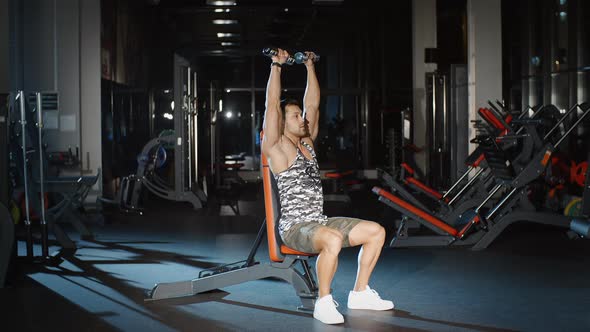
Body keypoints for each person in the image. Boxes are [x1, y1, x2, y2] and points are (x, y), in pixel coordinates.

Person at [261, 48, 394, 325]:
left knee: (376, 232)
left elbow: (314, 105)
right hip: (295, 228)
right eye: (296, 116)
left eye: (301, 115)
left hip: (319, 221)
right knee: (332, 239)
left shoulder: (307, 144)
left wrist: (310, 66)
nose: (303, 119)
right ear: (282, 123)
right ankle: (323, 302)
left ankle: (359, 293)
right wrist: (276, 65)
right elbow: (272, 105)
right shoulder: (277, 147)